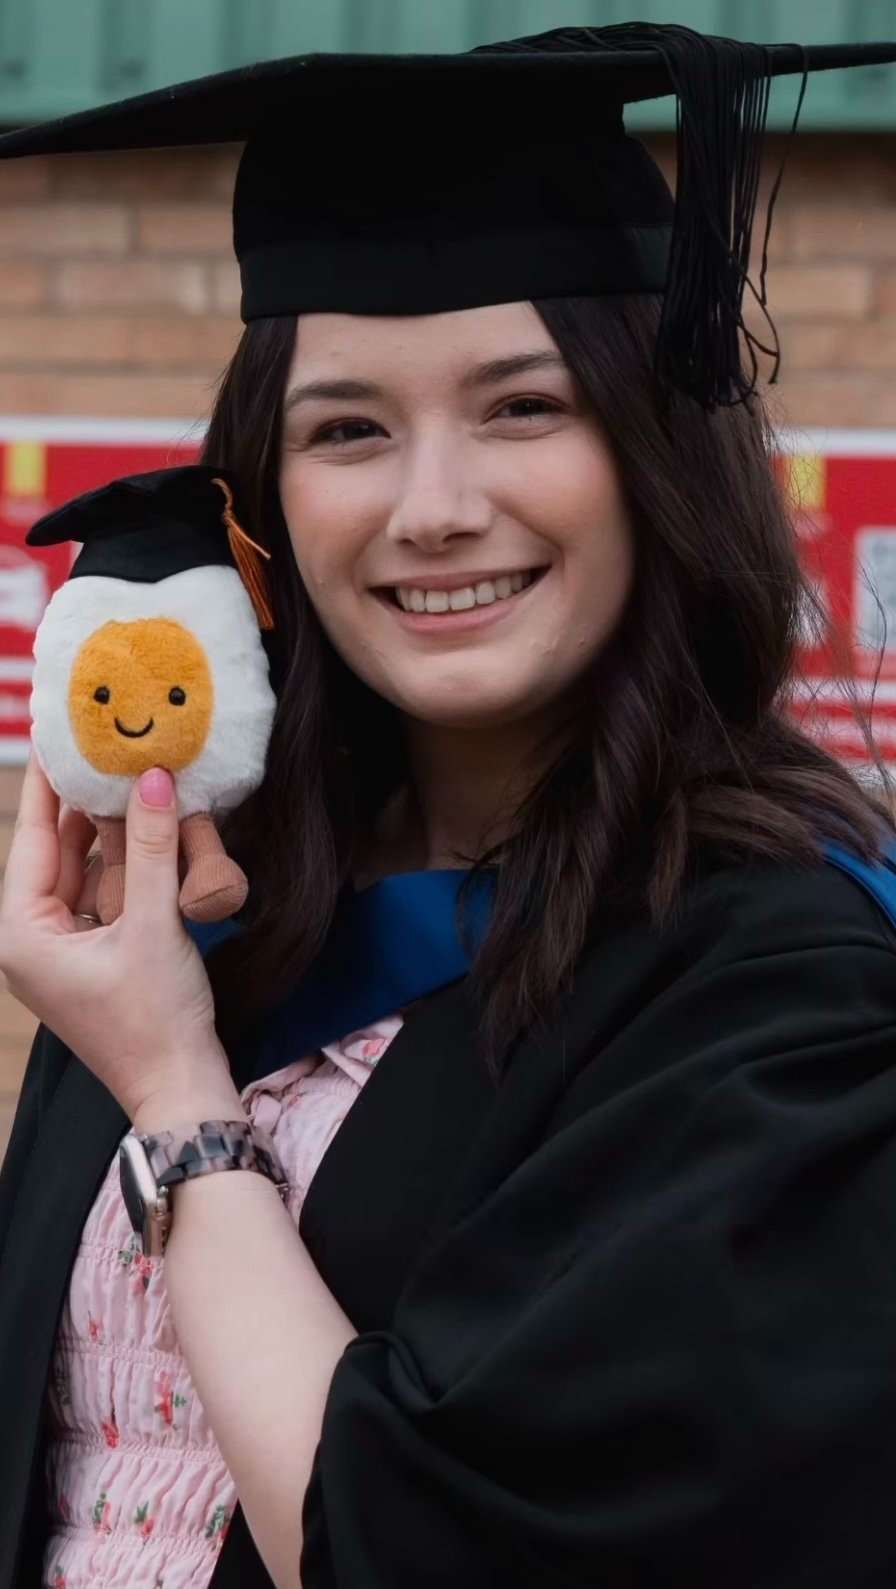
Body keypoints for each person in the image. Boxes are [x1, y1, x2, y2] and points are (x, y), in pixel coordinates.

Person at [1, 20, 896, 1589]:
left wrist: (180, 1101)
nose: (434, 508)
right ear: (261, 501)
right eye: (348, 428)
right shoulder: (211, 922)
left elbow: (439, 1545)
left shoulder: (782, 996)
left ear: (654, 446)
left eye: (522, 407)